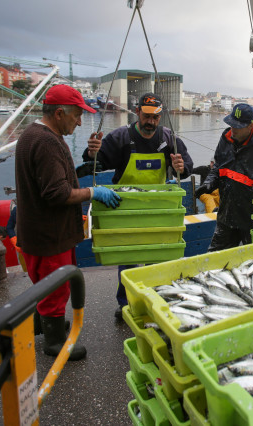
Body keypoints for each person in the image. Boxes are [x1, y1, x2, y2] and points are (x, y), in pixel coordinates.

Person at [15, 84, 121, 361]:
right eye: (76, 115)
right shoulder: (47, 142)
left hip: (35, 231)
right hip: (50, 234)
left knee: (44, 283)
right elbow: (57, 193)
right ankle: (55, 342)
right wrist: (92, 192)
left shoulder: (31, 134)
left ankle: (46, 324)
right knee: (56, 286)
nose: (79, 120)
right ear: (59, 112)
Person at [82, 92, 194, 319]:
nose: (150, 122)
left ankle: (156, 302)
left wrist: (181, 167)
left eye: (155, 117)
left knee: (157, 258)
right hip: (125, 208)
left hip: (157, 207)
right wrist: (92, 151)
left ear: (160, 117)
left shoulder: (168, 139)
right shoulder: (121, 137)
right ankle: (127, 304)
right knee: (128, 259)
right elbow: (96, 161)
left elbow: (187, 167)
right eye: (146, 116)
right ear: (137, 113)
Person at [195, 104, 253, 251]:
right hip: (226, 214)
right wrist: (209, 183)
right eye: (231, 124)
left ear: (250, 126)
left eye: (238, 126)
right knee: (214, 257)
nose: (233, 129)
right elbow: (218, 168)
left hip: (252, 218)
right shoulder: (226, 139)